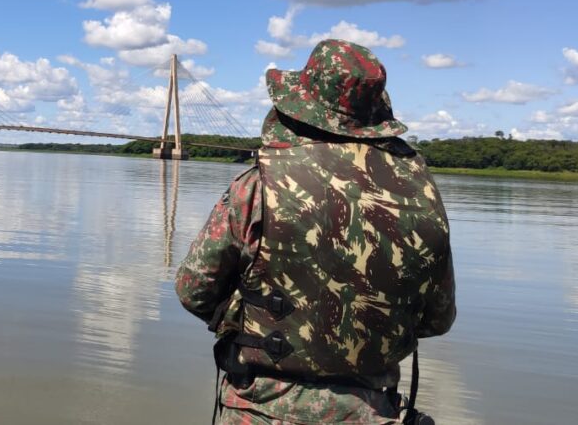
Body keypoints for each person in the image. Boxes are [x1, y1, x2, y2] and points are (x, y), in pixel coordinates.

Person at [176, 39, 456, 424]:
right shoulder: (423, 195)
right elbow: (437, 320)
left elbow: (194, 290)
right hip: (373, 411)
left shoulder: (258, 185)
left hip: (260, 408)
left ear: (298, 110)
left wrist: (250, 316)